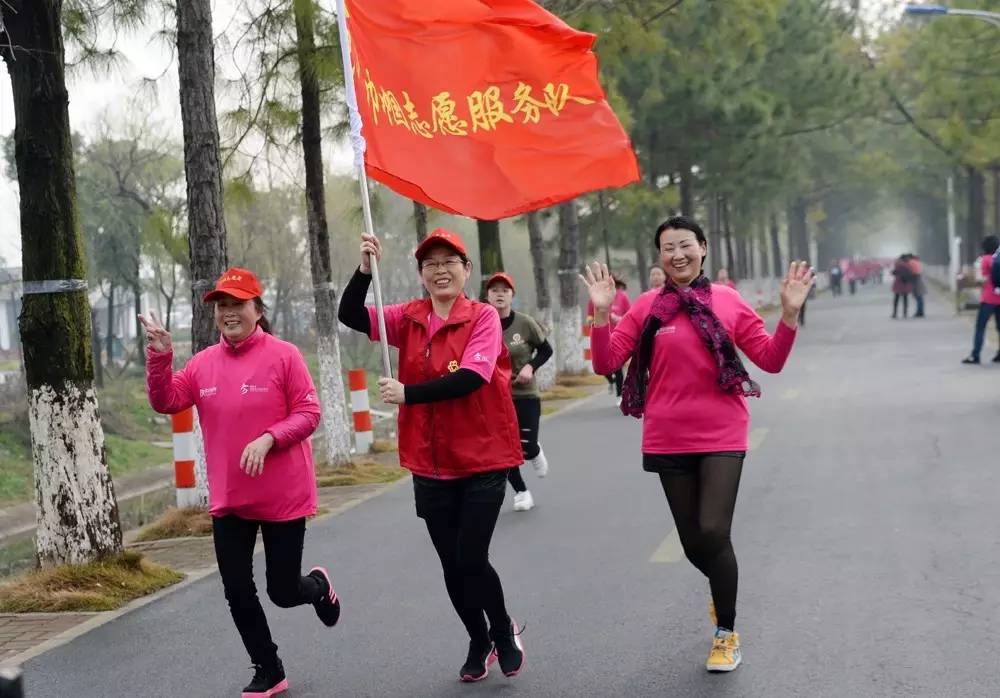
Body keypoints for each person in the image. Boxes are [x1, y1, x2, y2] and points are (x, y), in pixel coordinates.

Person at [580, 215, 812, 674]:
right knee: (691, 543)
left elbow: (770, 360)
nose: (677, 254)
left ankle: (726, 632)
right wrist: (602, 314)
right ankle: (724, 591)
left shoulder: (728, 300)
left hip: (722, 431)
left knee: (712, 530)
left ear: (703, 248)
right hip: (667, 435)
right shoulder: (647, 306)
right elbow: (605, 363)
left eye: (685, 245)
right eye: (668, 248)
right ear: (660, 257)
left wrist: (788, 316)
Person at [141, 268, 340, 698]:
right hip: (231, 497)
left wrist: (269, 438)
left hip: (283, 495)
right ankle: (269, 668)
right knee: (236, 588)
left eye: (237, 304)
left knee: (283, 591)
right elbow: (166, 400)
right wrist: (160, 356)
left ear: (257, 309)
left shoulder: (285, 356)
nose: (228, 313)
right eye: (221, 306)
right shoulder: (202, 364)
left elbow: (309, 413)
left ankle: (317, 587)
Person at [337, 228, 526, 682]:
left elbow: (473, 377)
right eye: (430, 264)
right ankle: (478, 639)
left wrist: (408, 393)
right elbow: (350, 314)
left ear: (466, 269)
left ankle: (502, 630)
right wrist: (364, 270)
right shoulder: (409, 317)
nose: (440, 271)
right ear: (421, 273)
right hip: (431, 461)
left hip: (482, 457)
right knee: (451, 565)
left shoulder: (482, 317)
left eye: (449, 262)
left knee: (471, 558)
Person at [485, 272, 554, 512]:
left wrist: (530, 367)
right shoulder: (481, 324)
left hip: (525, 394)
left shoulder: (524, 323)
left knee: (526, 445)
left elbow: (546, 350)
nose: (499, 294)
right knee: (503, 450)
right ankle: (522, 492)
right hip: (495, 397)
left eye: (504, 290)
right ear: (487, 296)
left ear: (512, 295)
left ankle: (534, 450)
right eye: (494, 290)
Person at [587, 279, 631, 402]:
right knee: (602, 366)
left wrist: (619, 318)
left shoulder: (622, 296)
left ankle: (620, 395)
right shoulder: (595, 296)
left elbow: (629, 315)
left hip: (618, 335)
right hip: (601, 337)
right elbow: (590, 315)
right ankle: (611, 381)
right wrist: (591, 320)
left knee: (618, 368)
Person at [962, 235, 1000, 365]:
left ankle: (975, 355)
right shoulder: (997, 258)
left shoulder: (984, 259)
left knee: (980, 327)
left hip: (988, 299)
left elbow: (980, 280)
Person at [891, 255, 914, 319]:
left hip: (898, 283)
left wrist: (893, 272)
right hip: (905, 284)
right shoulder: (908, 265)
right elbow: (911, 273)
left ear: (901, 259)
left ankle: (895, 313)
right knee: (905, 299)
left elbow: (894, 272)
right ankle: (905, 313)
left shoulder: (898, 265)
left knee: (896, 299)